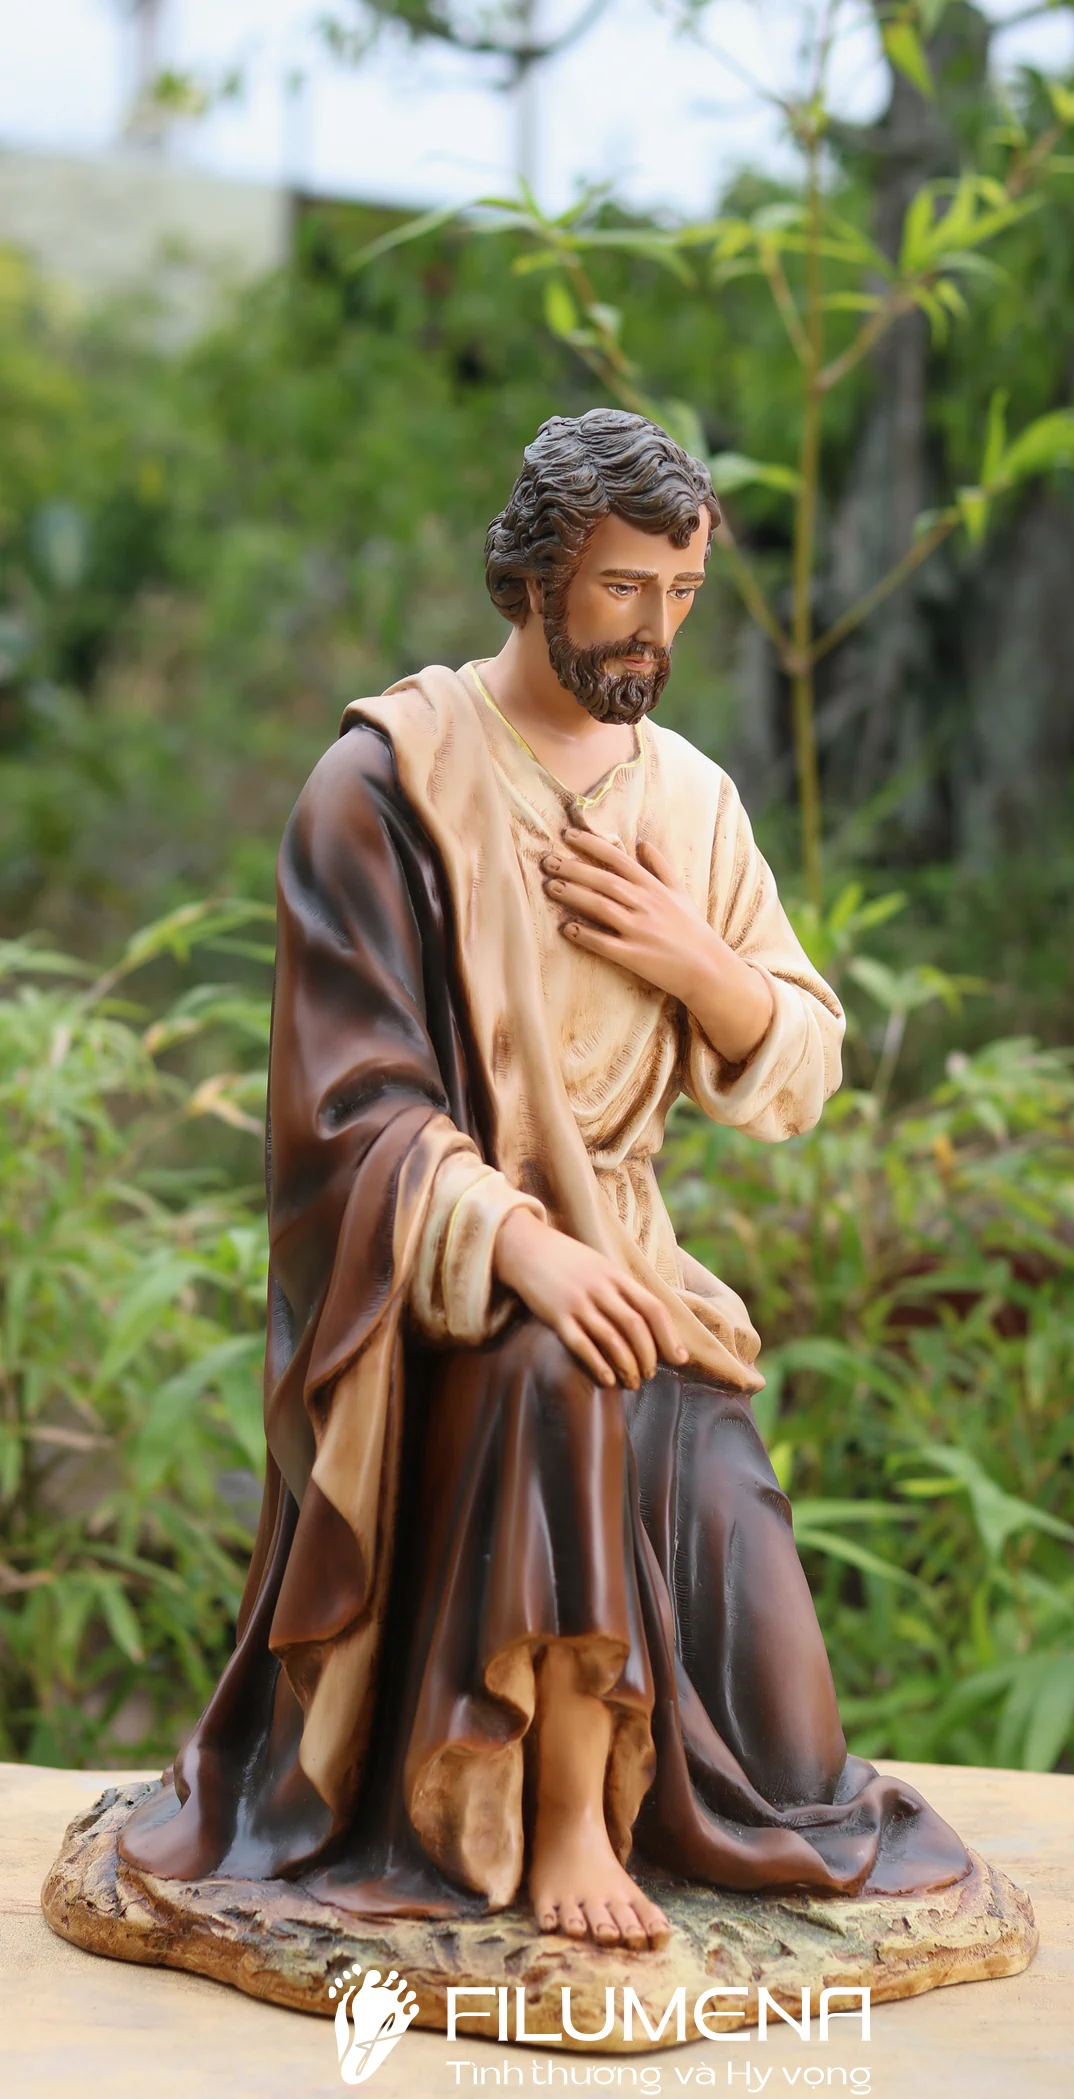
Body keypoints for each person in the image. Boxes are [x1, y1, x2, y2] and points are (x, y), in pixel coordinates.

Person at [118, 408, 969, 1953]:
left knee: (790, 1749)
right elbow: (348, 1110)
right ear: (534, 575)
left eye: (683, 594)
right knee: (558, 1368)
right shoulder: (388, 783)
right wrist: (520, 1248)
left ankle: (653, 1800)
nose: (657, 632)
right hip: (438, 1301)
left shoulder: (689, 802)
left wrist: (704, 966)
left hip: (639, 1268)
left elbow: (802, 1066)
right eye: (624, 589)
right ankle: (560, 1817)